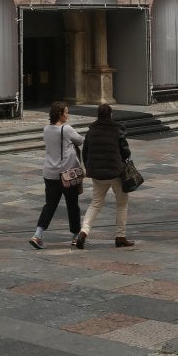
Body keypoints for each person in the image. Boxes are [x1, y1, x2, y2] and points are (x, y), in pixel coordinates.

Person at [74, 103, 134, 249]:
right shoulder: (117, 129)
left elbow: (85, 151)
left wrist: (89, 167)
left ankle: (84, 231)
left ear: (98, 115)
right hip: (115, 172)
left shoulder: (91, 130)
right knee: (121, 204)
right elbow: (125, 152)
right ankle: (120, 236)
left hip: (97, 174)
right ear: (111, 114)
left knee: (95, 204)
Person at [30, 101, 83, 249]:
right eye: (66, 112)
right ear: (60, 114)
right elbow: (80, 140)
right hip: (67, 174)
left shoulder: (46, 129)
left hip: (49, 173)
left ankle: (38, 234)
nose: (68, 115)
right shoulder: (66, 129)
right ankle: (75, 235)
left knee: (50, 205)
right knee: (72, 205)